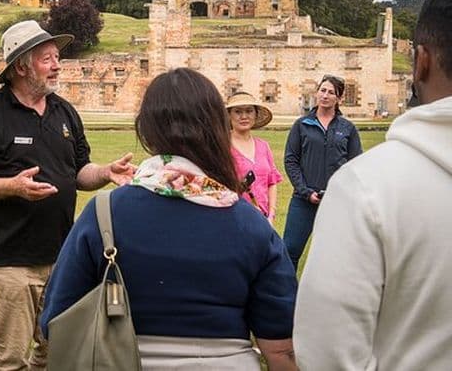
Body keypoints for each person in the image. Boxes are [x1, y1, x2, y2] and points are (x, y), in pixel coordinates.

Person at [40, 68, 298, 370]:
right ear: (218, 129)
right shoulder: (252, 224)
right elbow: (282, 348)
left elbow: (55, 320)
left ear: (147, 132)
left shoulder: (103, 213)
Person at [0, 20, 135, 371]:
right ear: (21, 66)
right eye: (47, 58)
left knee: (58, 351)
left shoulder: (64, 112)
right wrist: (11, 186)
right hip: (11, 261)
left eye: (56, 57)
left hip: (63, 257)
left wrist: (106, 172)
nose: (57, 64)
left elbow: (79, 171)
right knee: (12, 360)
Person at [294, 0, 452, 370]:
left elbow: (326, 353)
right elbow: (292, 159)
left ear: (421, 62)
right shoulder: (305, 128)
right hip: (307, 197)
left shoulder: (367, 187)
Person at [281, 74, 362, 269]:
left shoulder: (347, 128)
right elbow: (291, 160)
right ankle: (286, 298)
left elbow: (356, 165)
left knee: (334, 257)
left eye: (331, 92)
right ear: (317, 93)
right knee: (289, 252)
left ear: (339, 99)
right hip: (303, 201)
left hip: (336, 202)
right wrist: (305, 191)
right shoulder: (302, 125)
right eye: (322, 90)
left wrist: (342, 193)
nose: (325, 95)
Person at [226, 92, 282, 225]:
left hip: (263, 220)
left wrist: (271, 215)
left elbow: (272, 182)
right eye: (238, 111)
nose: (244, 116)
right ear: (229, 115)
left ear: (255, 114)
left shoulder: (263, 146)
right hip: (233, 219)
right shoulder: (222, 145)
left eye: (249, 111)